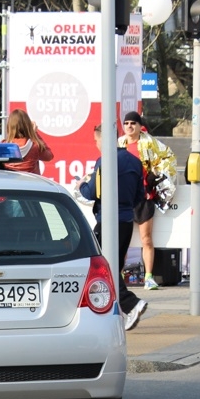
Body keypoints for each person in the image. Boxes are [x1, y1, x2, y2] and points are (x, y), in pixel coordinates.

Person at [77, 125, 147, 330]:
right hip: (126, 220)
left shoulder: (104, 161)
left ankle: (131, 303)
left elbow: (91, 193)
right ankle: (118, 310)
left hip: (108, 220)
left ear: (102, 140)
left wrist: (81, 184)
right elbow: (139, 196)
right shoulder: (134, 161)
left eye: (96, 140)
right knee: (112, 266)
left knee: (100, 264)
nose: (96, 144)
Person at [122, 111, 177, 290]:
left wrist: (155, 174)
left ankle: (149, 277)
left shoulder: (149, 142)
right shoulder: (118, 143)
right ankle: (118, 276)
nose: (130, 126)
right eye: (127, 123)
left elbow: (169, 157)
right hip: (124, 198)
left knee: (146, 239)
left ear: (139, 126)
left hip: (144, 197)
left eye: (133, 123)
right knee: (121, 240)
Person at [1, 109, 53, 174]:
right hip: (30, 183)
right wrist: (35, 134)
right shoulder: (35, 146)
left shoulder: (3, 146)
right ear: (28, 126)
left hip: (9, 182)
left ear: (9, 126)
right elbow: (49, 156)